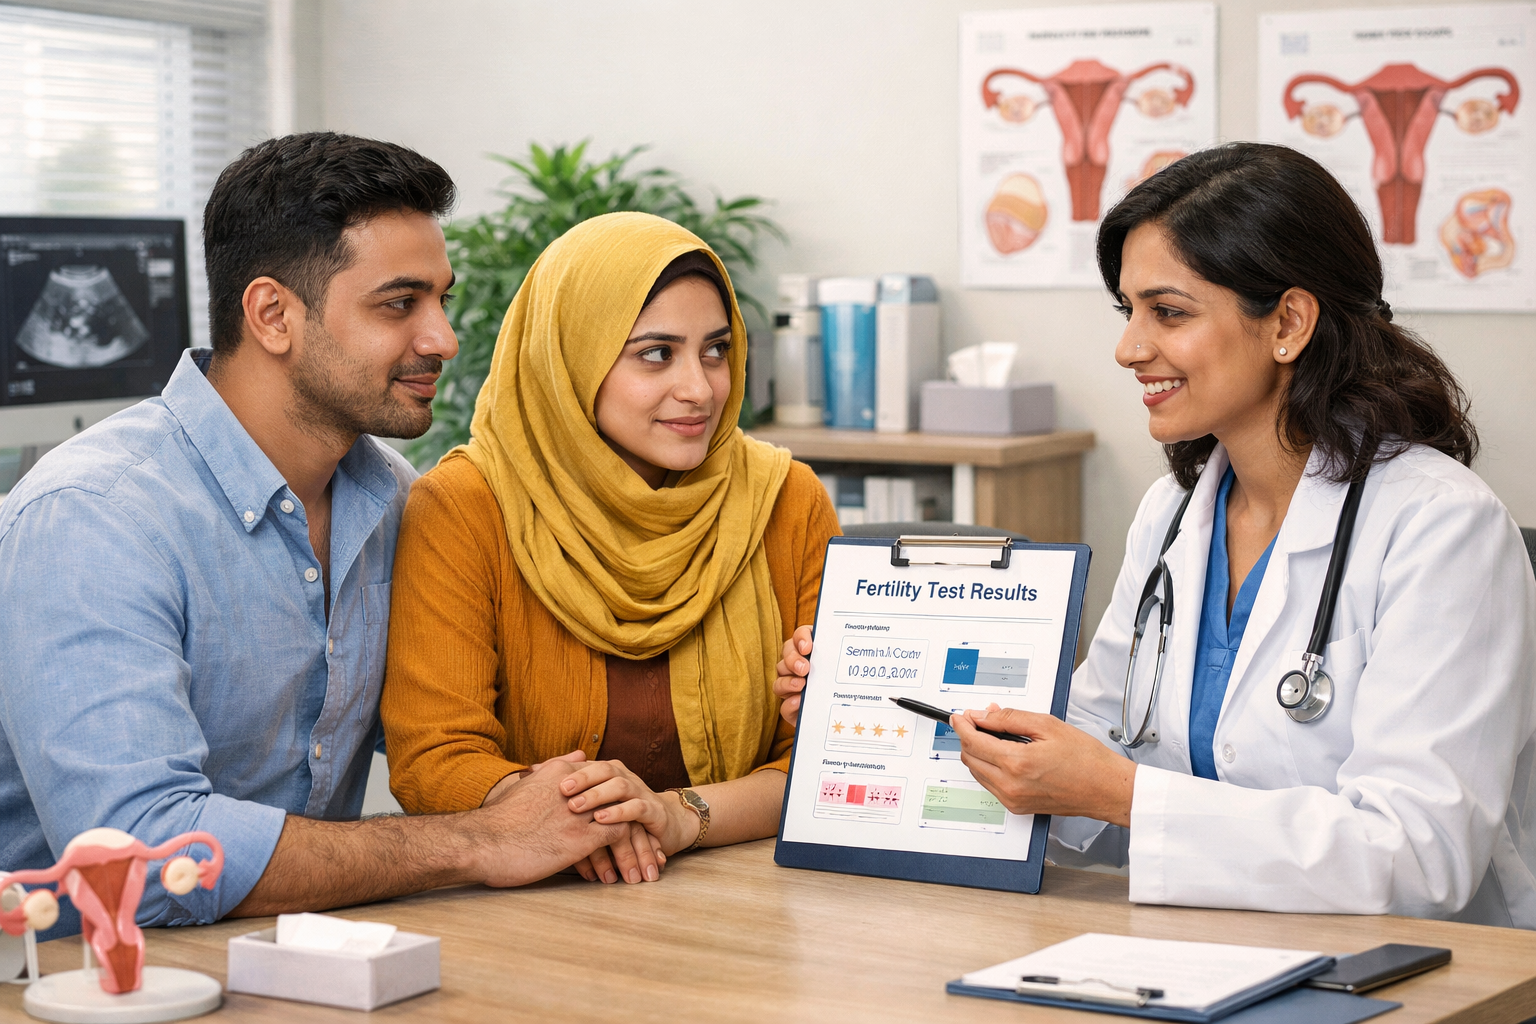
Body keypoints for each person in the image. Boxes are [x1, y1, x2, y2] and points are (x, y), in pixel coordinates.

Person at [775, 143, 1536, 926]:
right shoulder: (1173, 514)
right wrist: (863, 701)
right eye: (1129, 311)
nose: (1129, 348)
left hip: (1413, 973)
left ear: (1289, 322)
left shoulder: (1441, 529)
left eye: (1167, 312)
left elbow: (1418, 856)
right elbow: (1089, 764)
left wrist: (1119, 794)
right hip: (1192, 946)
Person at [0, 133, 631, 937]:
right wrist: (477, 842)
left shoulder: (396, 501)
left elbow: (462, 728)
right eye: (400, 304)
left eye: (440, 299)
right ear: (272, 314)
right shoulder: (93, 517)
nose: (443, 338)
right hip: (83, 983)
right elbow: (143, 859)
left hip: (290, 958)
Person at [380, 212, 838, 885]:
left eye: (715, 349)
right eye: (656, 354)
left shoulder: (785, 499)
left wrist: (678, 816)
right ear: (571, 356)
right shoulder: (465, 507)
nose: (701, 388)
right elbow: (435, 759)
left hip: (760, 901)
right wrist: (582, 820)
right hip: (538, 914)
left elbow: (829, 752)